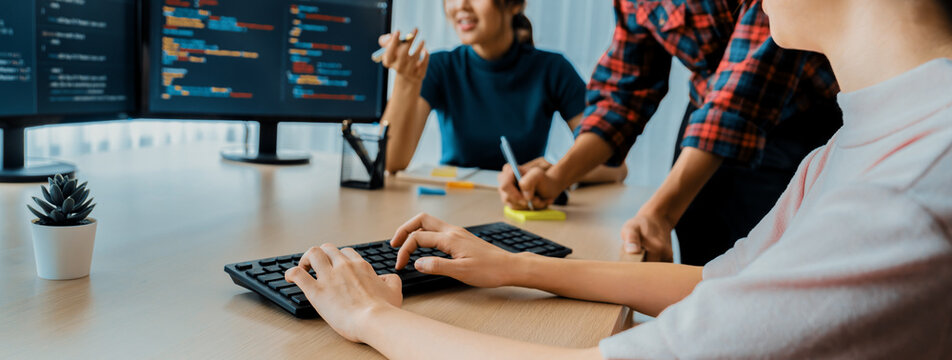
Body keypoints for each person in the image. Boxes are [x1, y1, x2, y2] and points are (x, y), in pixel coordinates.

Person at [284, 0, 952, 357]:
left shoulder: (899, 197)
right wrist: (517, 265)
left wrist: (370, 316)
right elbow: (725, 286)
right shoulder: (854, 147)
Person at [498, 0, 843, 264]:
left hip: (806, 120)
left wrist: (660, 213)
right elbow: (621, 96)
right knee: (696, 236)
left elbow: (743, 92)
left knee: (771, 261)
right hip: (708, 116)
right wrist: (557, 177)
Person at [380, 0, 626, 183]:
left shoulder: (553, 69)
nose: (461, 6)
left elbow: (615, 165)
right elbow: (391, 161)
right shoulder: (440, 67)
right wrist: (405, 79)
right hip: (451, 206)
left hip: (523, 213)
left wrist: (555, 172)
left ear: (515, 4)